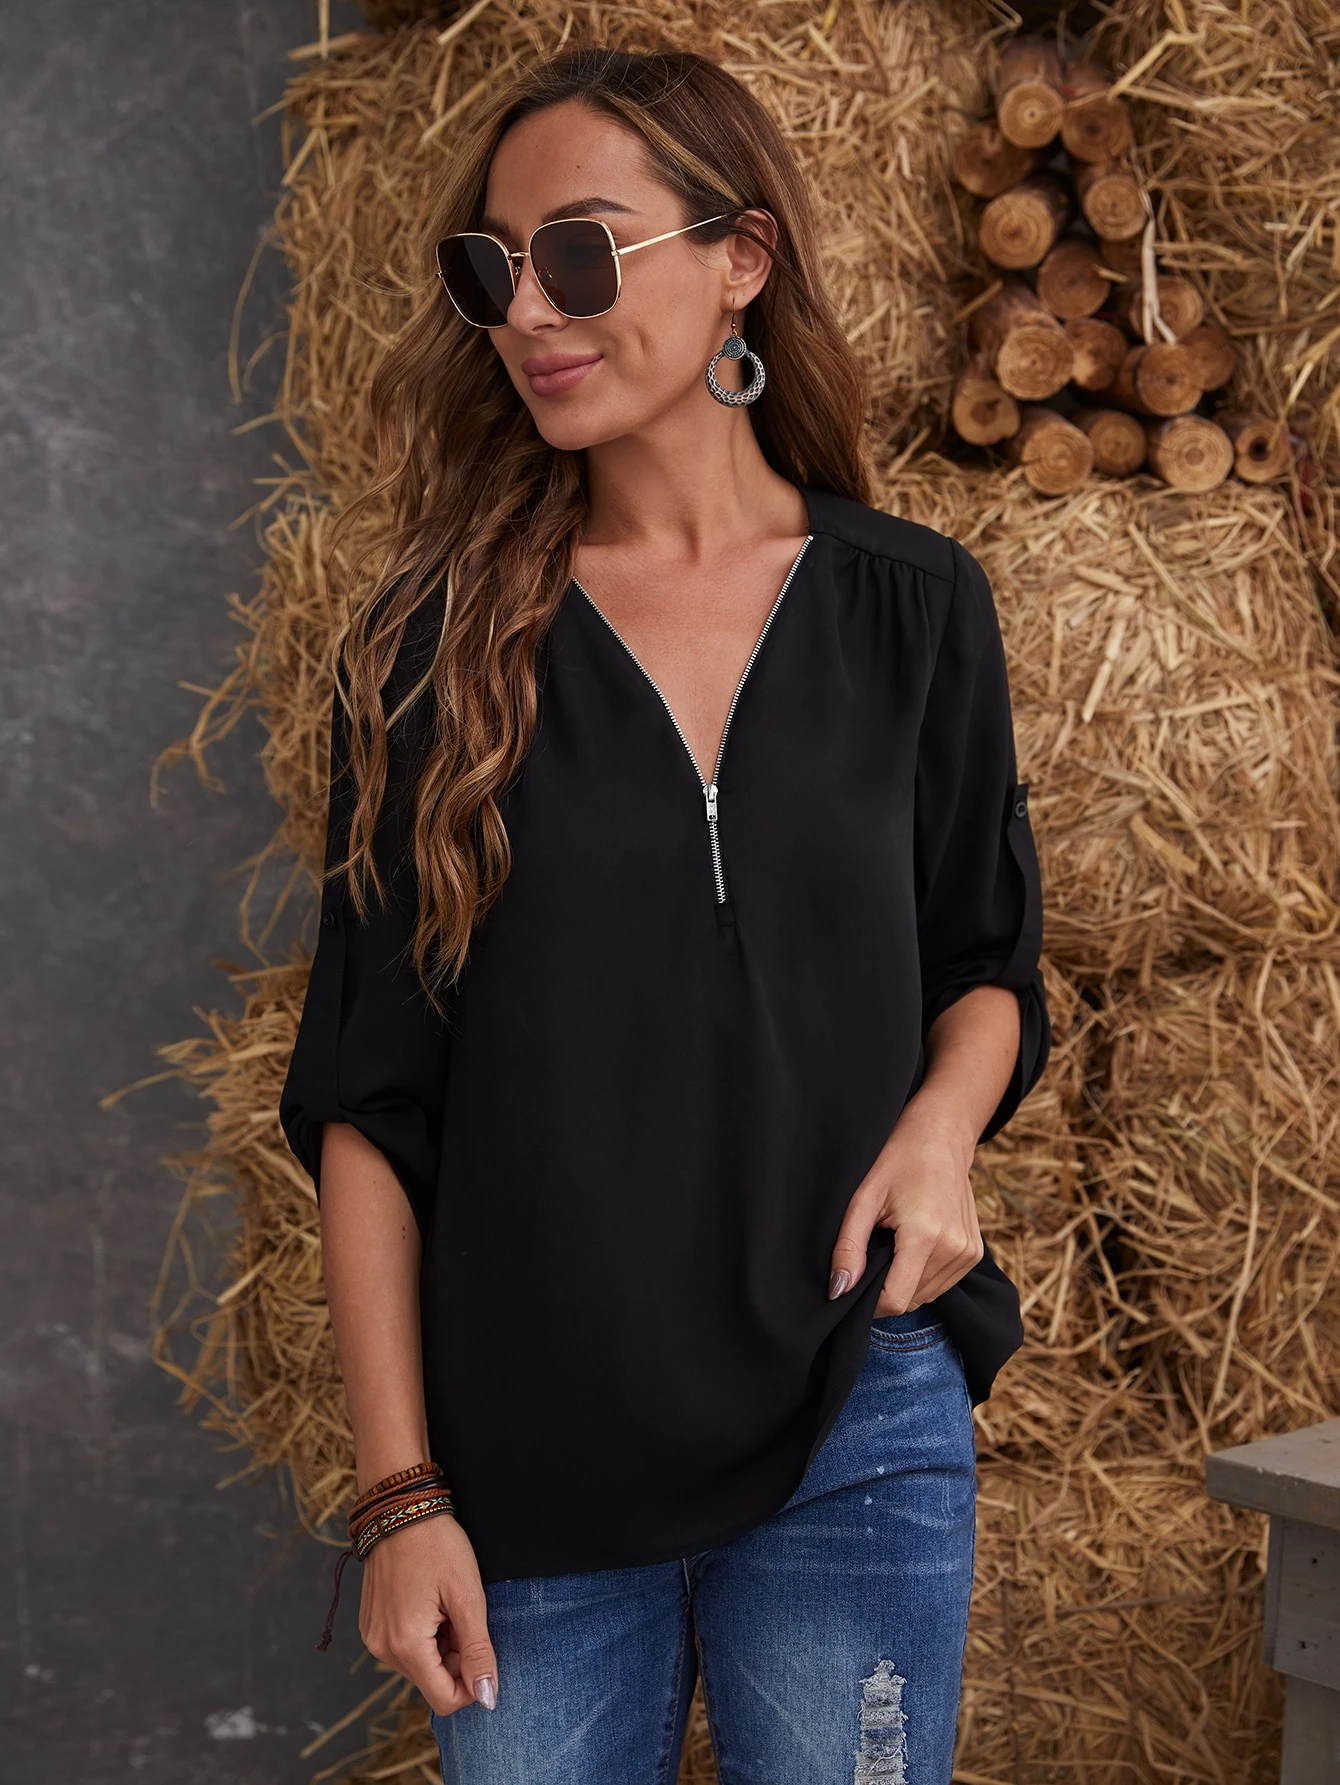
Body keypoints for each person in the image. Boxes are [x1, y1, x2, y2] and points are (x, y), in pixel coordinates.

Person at [279, 44, 1050, 1785]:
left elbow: (985, 959)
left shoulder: (916, 608)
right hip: (529, 1464)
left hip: (861, 1414)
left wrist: (942, 1132)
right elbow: (365, 1104)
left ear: (742, 259)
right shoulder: (426, 649)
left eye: (578, 253)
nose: (526, 312)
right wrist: (401, 1495)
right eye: (492, 267)